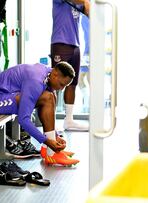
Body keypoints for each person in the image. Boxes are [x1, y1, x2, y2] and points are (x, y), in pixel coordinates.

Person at [0, 62, 79, 166]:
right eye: (62, 84)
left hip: (6, 95)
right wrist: (46, 140)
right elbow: (23, 119)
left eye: (65, 86)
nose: (62, 89)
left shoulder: (47, 73)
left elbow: (44, 106)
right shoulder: (36, 81)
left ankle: (47, 150)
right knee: (48, 97)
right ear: (55, 74)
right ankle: (51, 154)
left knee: (51, 95)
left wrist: (53, 136)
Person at [50, 0, 90, 131]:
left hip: (75, 44)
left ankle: (69, 121)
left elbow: (90, 11)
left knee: (72, 83)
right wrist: (85, 2)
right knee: (54, 84)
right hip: (60, 42)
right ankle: (50, 123)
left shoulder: (79, 3)